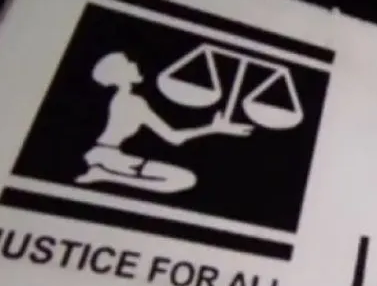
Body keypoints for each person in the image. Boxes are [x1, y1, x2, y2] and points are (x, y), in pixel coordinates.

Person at [75, 51, 251, 194]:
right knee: (185, 180)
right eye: (128, 63)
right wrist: (213, 128)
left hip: (107, 153)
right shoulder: (132, 102)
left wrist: (214, 128)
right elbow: (173, 138)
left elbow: (172, 137)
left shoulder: (127, 100)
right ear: (118, 74)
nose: (134, 64)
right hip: (107, 156)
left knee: (185, 179)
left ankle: (104, 174)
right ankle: (106, 176)